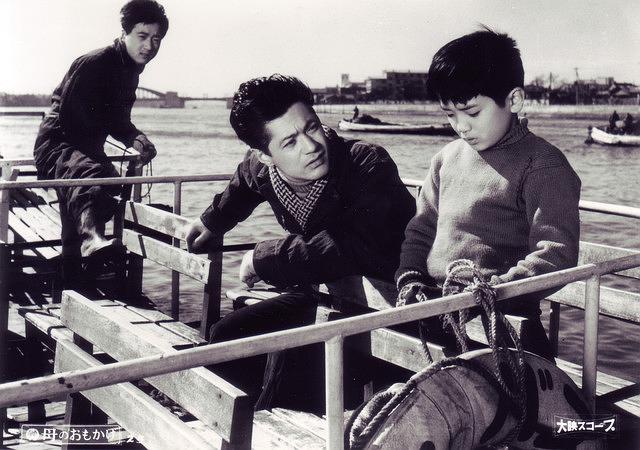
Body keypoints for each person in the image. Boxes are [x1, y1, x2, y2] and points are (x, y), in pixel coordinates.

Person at [186, 74, 416, 406]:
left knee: (288, 373)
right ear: (266, 155)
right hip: (325, 295)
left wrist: (262, 259)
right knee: (226, 337)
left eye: (312, 128)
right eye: (290, 142)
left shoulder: (366, 163)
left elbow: (350, 245)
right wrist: (212, 221)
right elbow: (245, 181)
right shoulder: (263, 169)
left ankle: (266, 422)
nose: (311, 146)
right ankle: (228, 426)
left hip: (384, 312)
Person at [395, 28, 582, 361]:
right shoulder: (445, 159)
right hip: (437, 314)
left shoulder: (543, 165)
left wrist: (492, 291)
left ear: (514, 100)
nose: (461, 126)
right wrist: (410, 277)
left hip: (505, 327)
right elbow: (421, 230)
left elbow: (556, 253)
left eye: (472, 113)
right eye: (450, 115)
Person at [33, 0, 168, 277]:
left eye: (156, 39)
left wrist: (137, 139)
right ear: (125, 33)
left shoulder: (130, 72)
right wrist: (96, 162)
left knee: (103, 182)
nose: (149, 46)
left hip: (84, 149)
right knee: (93, 176)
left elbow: (118, 121)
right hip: (56, 143)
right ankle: (92, 241)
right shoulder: (94, 63)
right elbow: (70, 120)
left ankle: (76, 274)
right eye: (142, 36)